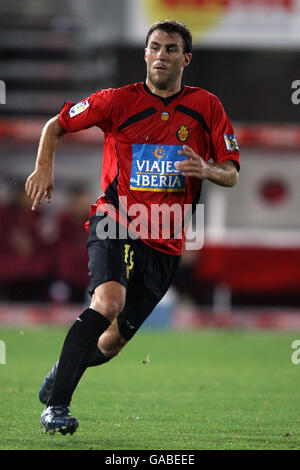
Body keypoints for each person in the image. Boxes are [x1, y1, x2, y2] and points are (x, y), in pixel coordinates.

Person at [25, 20, 240, 435]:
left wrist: (206, 169)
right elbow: (57, 124)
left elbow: (231, 173)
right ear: (145, 53)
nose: (162, 55)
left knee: (110, 343)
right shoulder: (117, 102)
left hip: (167, 240)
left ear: (185, 58)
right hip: (116, 219)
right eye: (155, 47)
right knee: (107, 303)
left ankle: (62, 370)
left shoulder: (206, 106)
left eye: (171, 49)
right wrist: (43, 166)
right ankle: (57, 408)